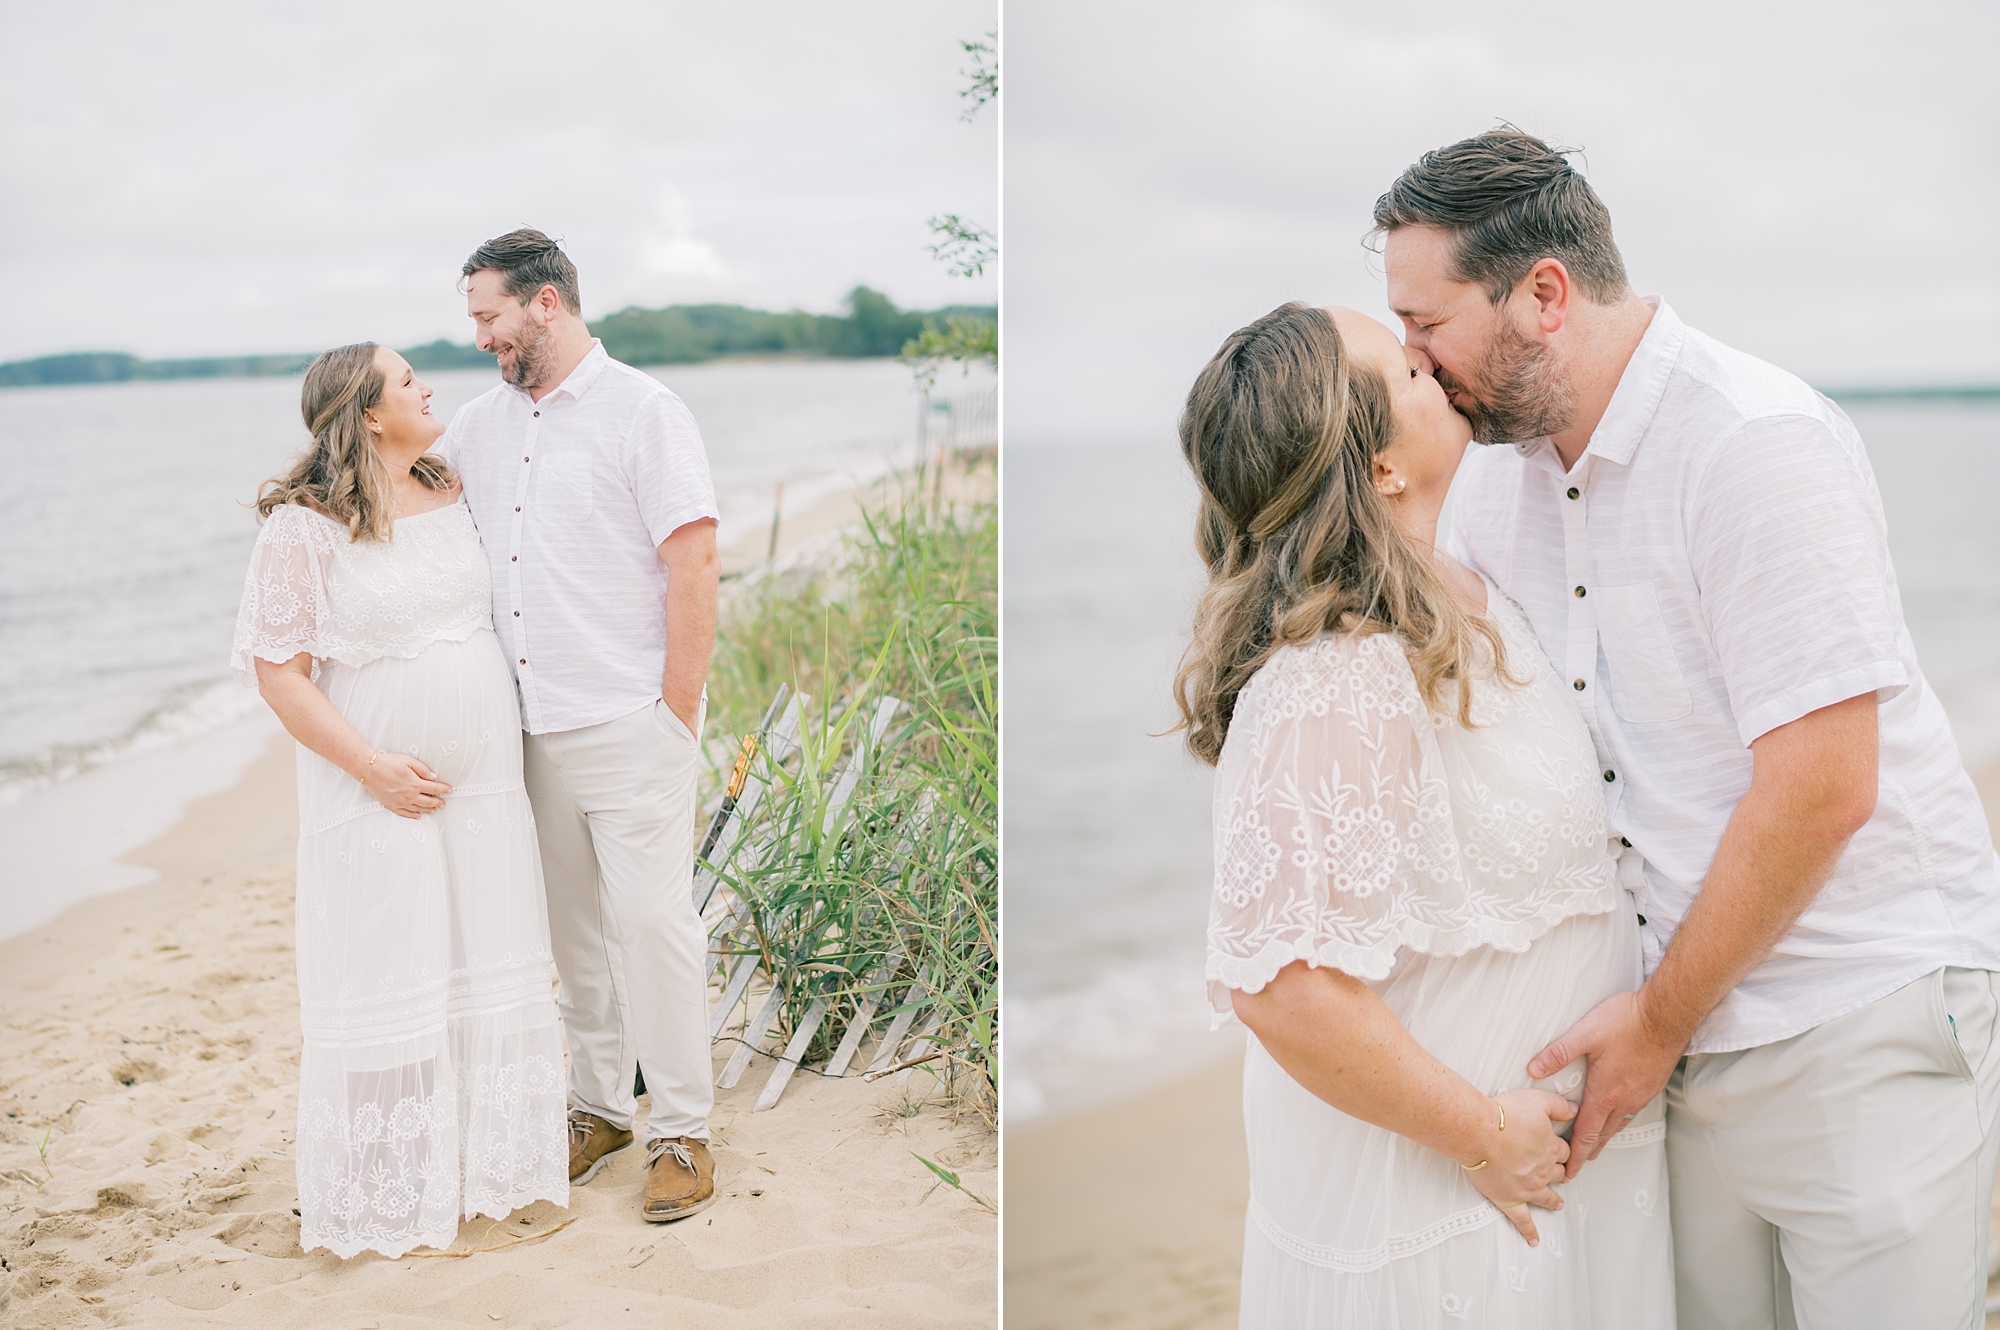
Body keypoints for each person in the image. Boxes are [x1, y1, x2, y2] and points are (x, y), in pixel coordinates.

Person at [1379, 128, 2000, 1329]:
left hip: (1851, 1007)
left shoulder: (1752, 444)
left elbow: (1822, 787)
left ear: (1542, 296)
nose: (1411, 361)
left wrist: (1655, 1023)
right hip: (1665, 1029)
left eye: (1426, 324)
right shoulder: (1492, 479)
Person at [1181, 301, 1674, 1327]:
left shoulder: (1465, 591)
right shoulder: (1337, 671)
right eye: (1404, 370)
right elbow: (1281, 987)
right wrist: (1481, 1131)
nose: (1429, 364)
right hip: (1438, 1194)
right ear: (1375, 470)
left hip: (1541, 1178)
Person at [232, 343, 568, 1259]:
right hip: (376, 790)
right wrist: (372, 765)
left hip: (487, 789)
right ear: (370, 414)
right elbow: (282, 675)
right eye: (409, 379)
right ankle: (391, 1187)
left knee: (481, 953)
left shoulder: (456, 488)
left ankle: (487, 1167)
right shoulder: (304, 528)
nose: (429, 387)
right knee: (393, 966)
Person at [433, 229, 723, 1223]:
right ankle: (598, 1107)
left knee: (652, 925)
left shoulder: (645, 410)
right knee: (573, 936)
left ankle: (682, 1127)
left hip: (628, 719)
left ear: (543, 303)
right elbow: (404, 510)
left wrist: (673, 713)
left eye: (487, 316)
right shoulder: (473, 426)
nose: (477, 336)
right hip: (525, 730)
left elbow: (693, 563)